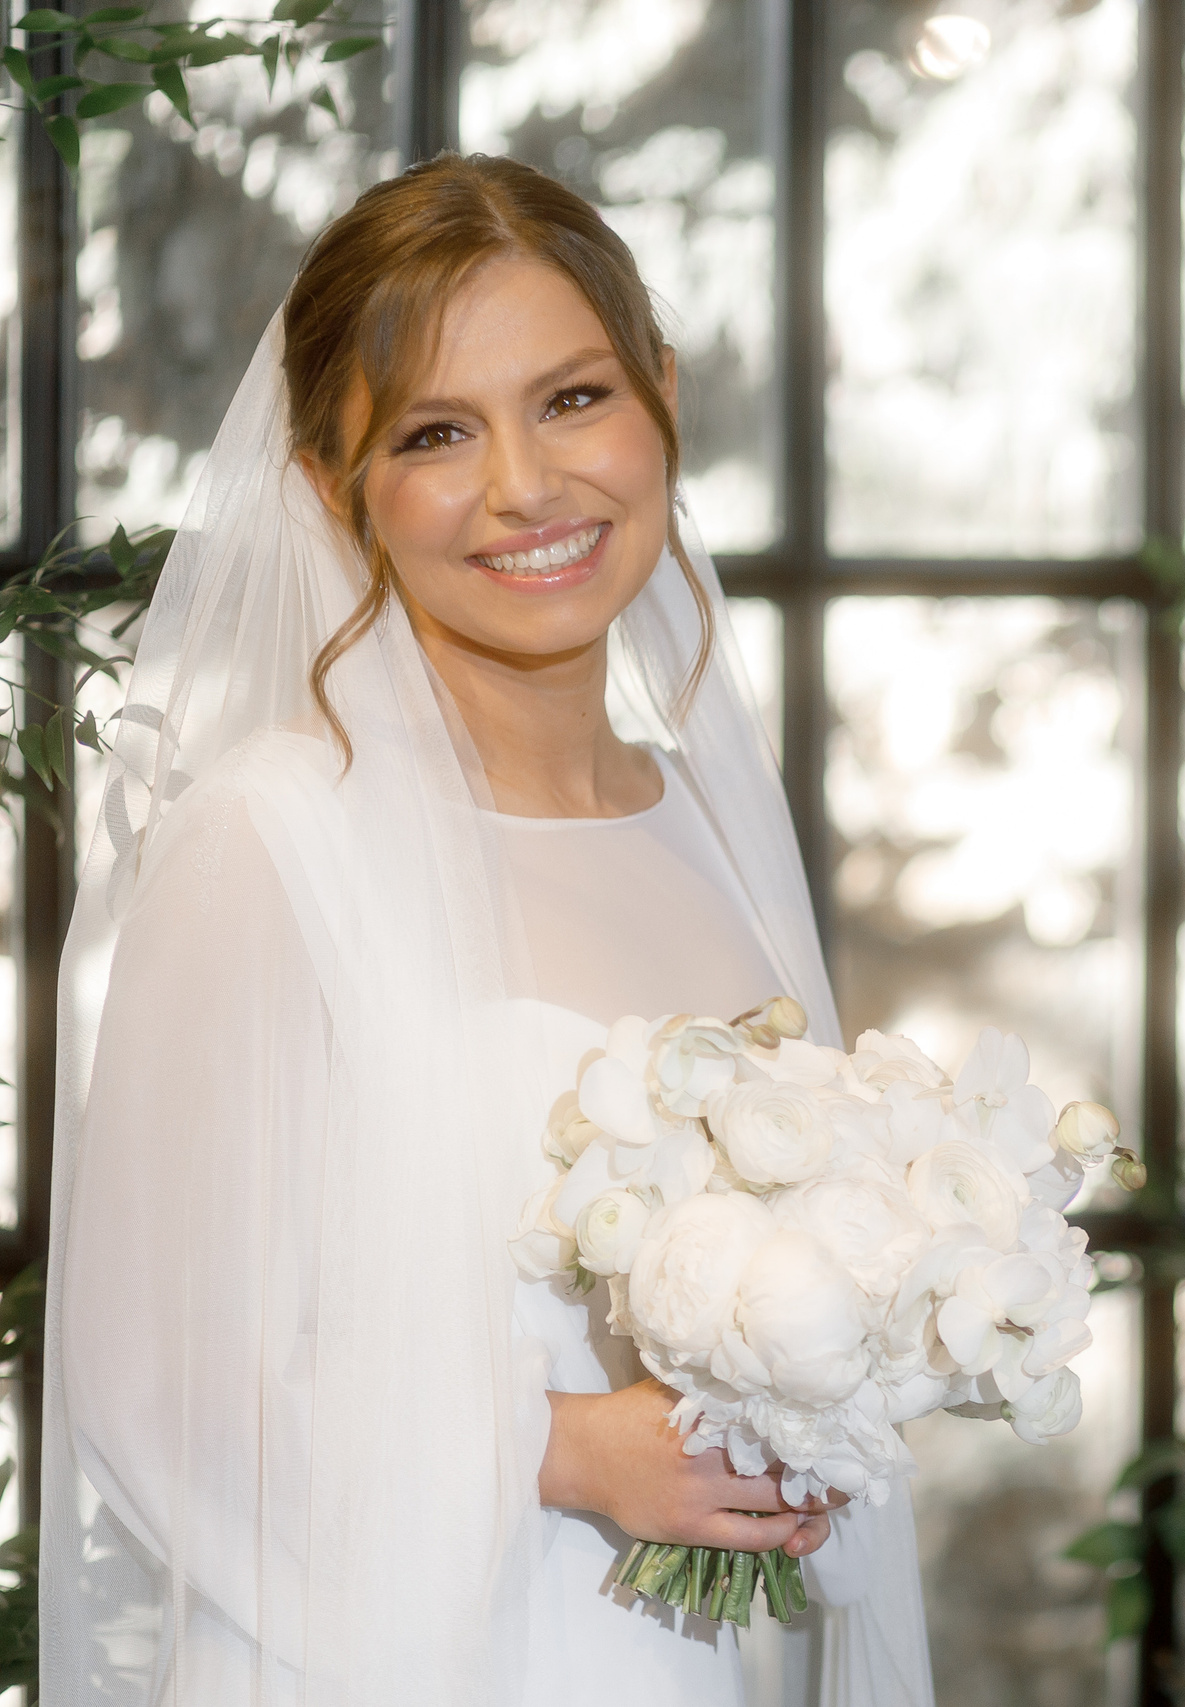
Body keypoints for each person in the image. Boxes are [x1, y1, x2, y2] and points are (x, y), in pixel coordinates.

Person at [44, 156, 931, 1706]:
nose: (525, 486)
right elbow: (151, 1379)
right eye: (435, 434)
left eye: (574, 399)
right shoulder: (275, 838)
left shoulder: (710, 823)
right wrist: (560, 1450)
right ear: (334, 486)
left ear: (662, 397)